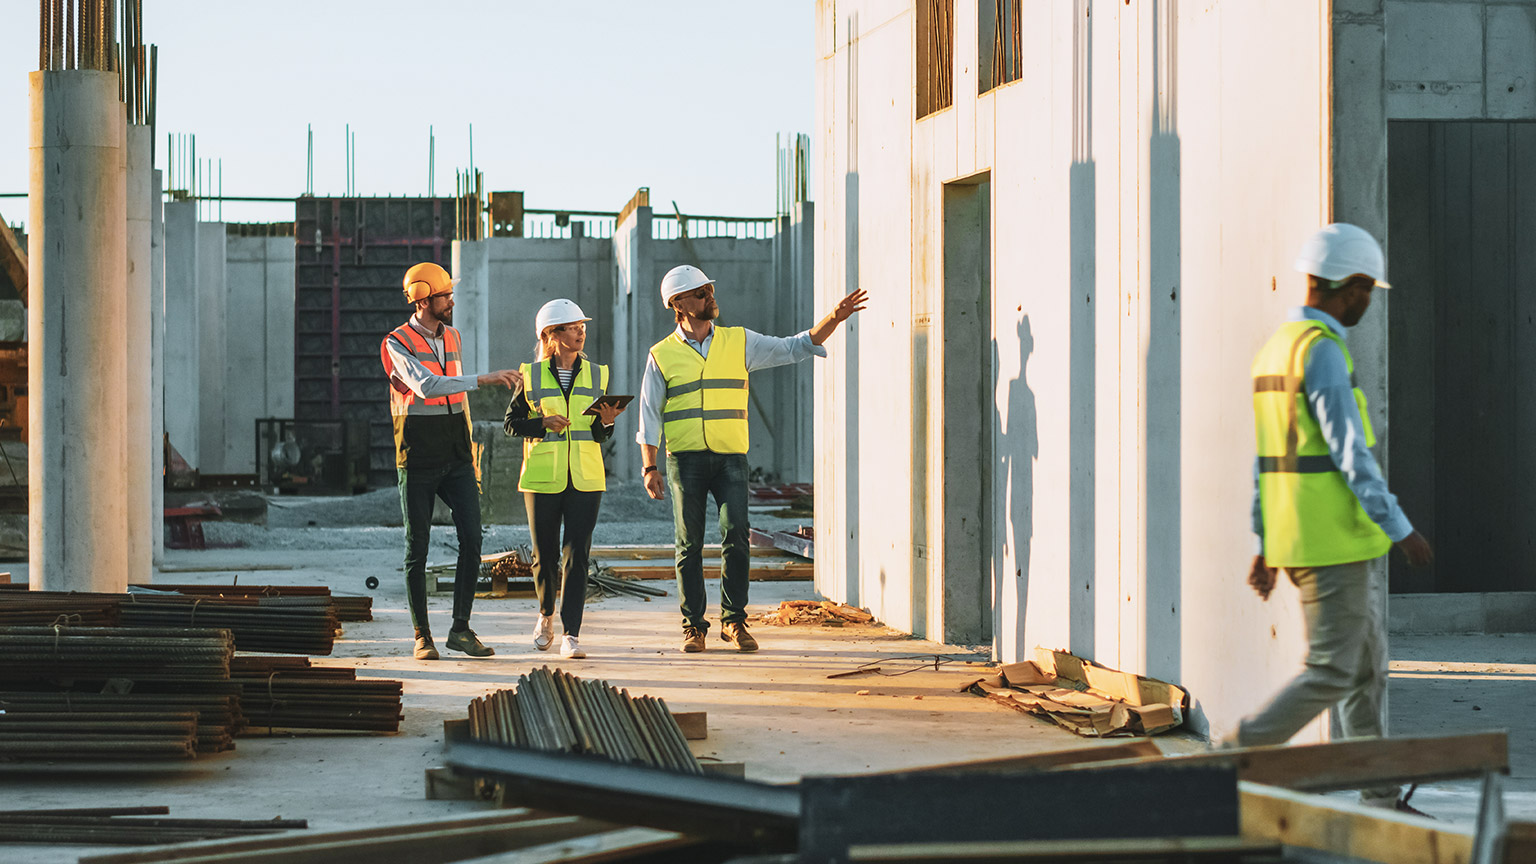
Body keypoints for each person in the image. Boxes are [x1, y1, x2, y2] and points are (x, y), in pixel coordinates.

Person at [1236, 223, 1434, 810]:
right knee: (1331, 671)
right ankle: (1225, 758)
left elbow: (1266, 463)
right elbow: (1351, 454)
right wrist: (1402, 528)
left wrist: (1267, 542)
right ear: (1345, 285)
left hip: (1318, 538)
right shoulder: (1322, 351)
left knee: (1366, 672)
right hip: (1332, 543)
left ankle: (1379, 793)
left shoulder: (1279, 346)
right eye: (1367, 290)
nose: (1369, 302)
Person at [638, 264, 868, 654]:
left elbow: (795, 346)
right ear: (677, 304)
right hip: (685, 461)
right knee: (688, 545)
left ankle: (733, 621)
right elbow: (649, 413)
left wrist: (834, 317)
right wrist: (649, 466)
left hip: (730, 459)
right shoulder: (661, 355)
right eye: (699, 293)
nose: (710, 297)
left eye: (710, 290)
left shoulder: (739, 341)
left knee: (736, 538)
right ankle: (693, 627)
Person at [381, 261, 522, 661]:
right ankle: (422, 635)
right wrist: (484, 378)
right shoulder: (396, 343)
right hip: (418, 457)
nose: (452, 301)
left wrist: (471, 452)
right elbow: (425, 387)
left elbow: (457, 403)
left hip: (457, 456)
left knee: (473, 539)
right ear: (424, 299)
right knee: (417, 547)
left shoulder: (454, 336)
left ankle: (460, 629)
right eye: (445, 295)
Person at [504, 299, 626, 659]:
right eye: (572, 328)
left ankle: (572, 634)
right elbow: (511, 424)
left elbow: (601, 435)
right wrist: (542, 423)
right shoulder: (531, 375)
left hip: (587, 477)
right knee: (544, 556)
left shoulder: (599, 374)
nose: (580, 333)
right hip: (542, 478)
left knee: (578, 556)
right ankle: (545, 615)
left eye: (581, 327)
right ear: (551, 336)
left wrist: (607, 420)